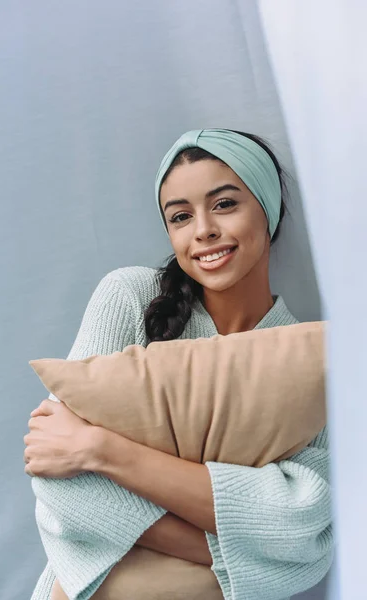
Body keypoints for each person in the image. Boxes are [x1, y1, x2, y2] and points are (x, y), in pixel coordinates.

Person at [25, 129, 333, 600]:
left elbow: (303, 529)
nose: (203, 229)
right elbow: (55, 471)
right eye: (181, 216)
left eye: (225, 204)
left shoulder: (314, 355)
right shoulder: (129, 297)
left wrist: (103, 452)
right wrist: (232, 552)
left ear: (267, 210)